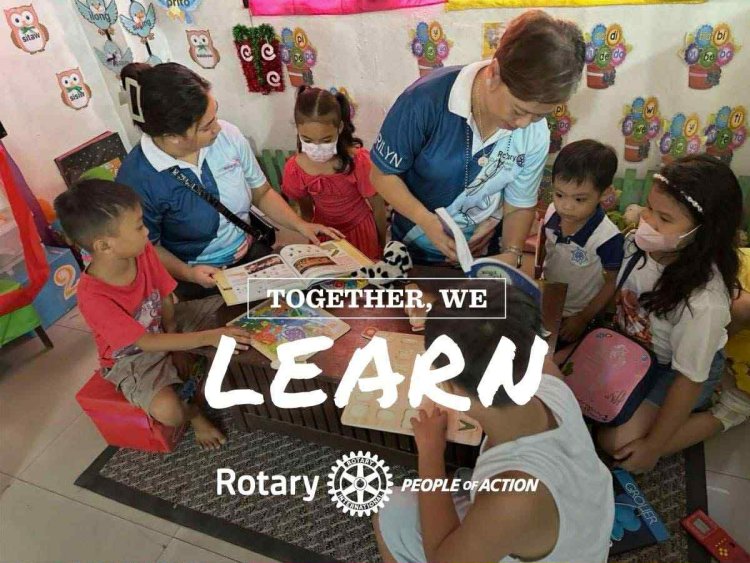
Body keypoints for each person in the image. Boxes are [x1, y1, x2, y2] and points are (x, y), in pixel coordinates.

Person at [374, 281, 613, 562]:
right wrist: (450, 318)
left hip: (547, 528)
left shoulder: (512, 498)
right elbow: (498, 333)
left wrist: (430, 453)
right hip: (577, 513)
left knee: (390, 510)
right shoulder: (550, 381)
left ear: (449, 388)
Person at [370, 10, 585, 266]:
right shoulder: (424, 102)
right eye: (519, 110)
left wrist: (511, 252)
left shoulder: (535, 131)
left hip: (482, 250)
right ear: (494, 73)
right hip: (414, 248)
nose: (524, 124)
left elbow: (519, 203)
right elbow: (381, 175)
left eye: (539, 115)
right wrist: (425, 220)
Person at [54, 180, 255, 449]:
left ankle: (201, 367)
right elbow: (145, 342)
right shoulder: (93, 296)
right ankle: (195, 414)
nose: (147, 231)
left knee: (235, 310)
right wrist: (208, 337)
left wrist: (174, 336)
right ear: (104, 246)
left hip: (164, 323)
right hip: (132, 355)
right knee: (169, 411)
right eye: (139, 226)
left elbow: (165, 295)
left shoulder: (141, 249)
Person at [116, 62, 342, 300]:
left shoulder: (228, 136)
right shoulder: (137, 178)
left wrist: (300, 225)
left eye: (215, 114)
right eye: (206, 127)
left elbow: (262, 192)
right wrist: (188, 273)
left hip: (251, 255)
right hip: (197, 279)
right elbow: (148, 246)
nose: (217, 128)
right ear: (172, 137)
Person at [598, 155, 744, 473]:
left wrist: (653, 447)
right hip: (633, 349)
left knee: (617, 443)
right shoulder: (640, 246)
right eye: (649, 207)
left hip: (674, 372)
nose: (647, 221)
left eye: (664, 218)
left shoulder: (703, 301)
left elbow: (688, 380)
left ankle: (727, 412)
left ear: (703, 232)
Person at [282, 86, 386, 260]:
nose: (317, 147)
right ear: (298, 131)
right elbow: (306, 214)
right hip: (324, 234)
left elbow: (378, 209)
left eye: (326, 140)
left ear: (339, 128)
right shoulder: (295, 169)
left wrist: (381, 247)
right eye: (308, 140)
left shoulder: (358, 162)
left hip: (361, 232)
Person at [542, 140, 624, 345]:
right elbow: (547, 249)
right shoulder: (552, 211)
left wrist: (583, 318)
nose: (566, 206)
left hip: (577, 315)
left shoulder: (607, 238)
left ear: (604, 194)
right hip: (549, 302)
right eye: (559, 194)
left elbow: (611, 283)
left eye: (579, 199)